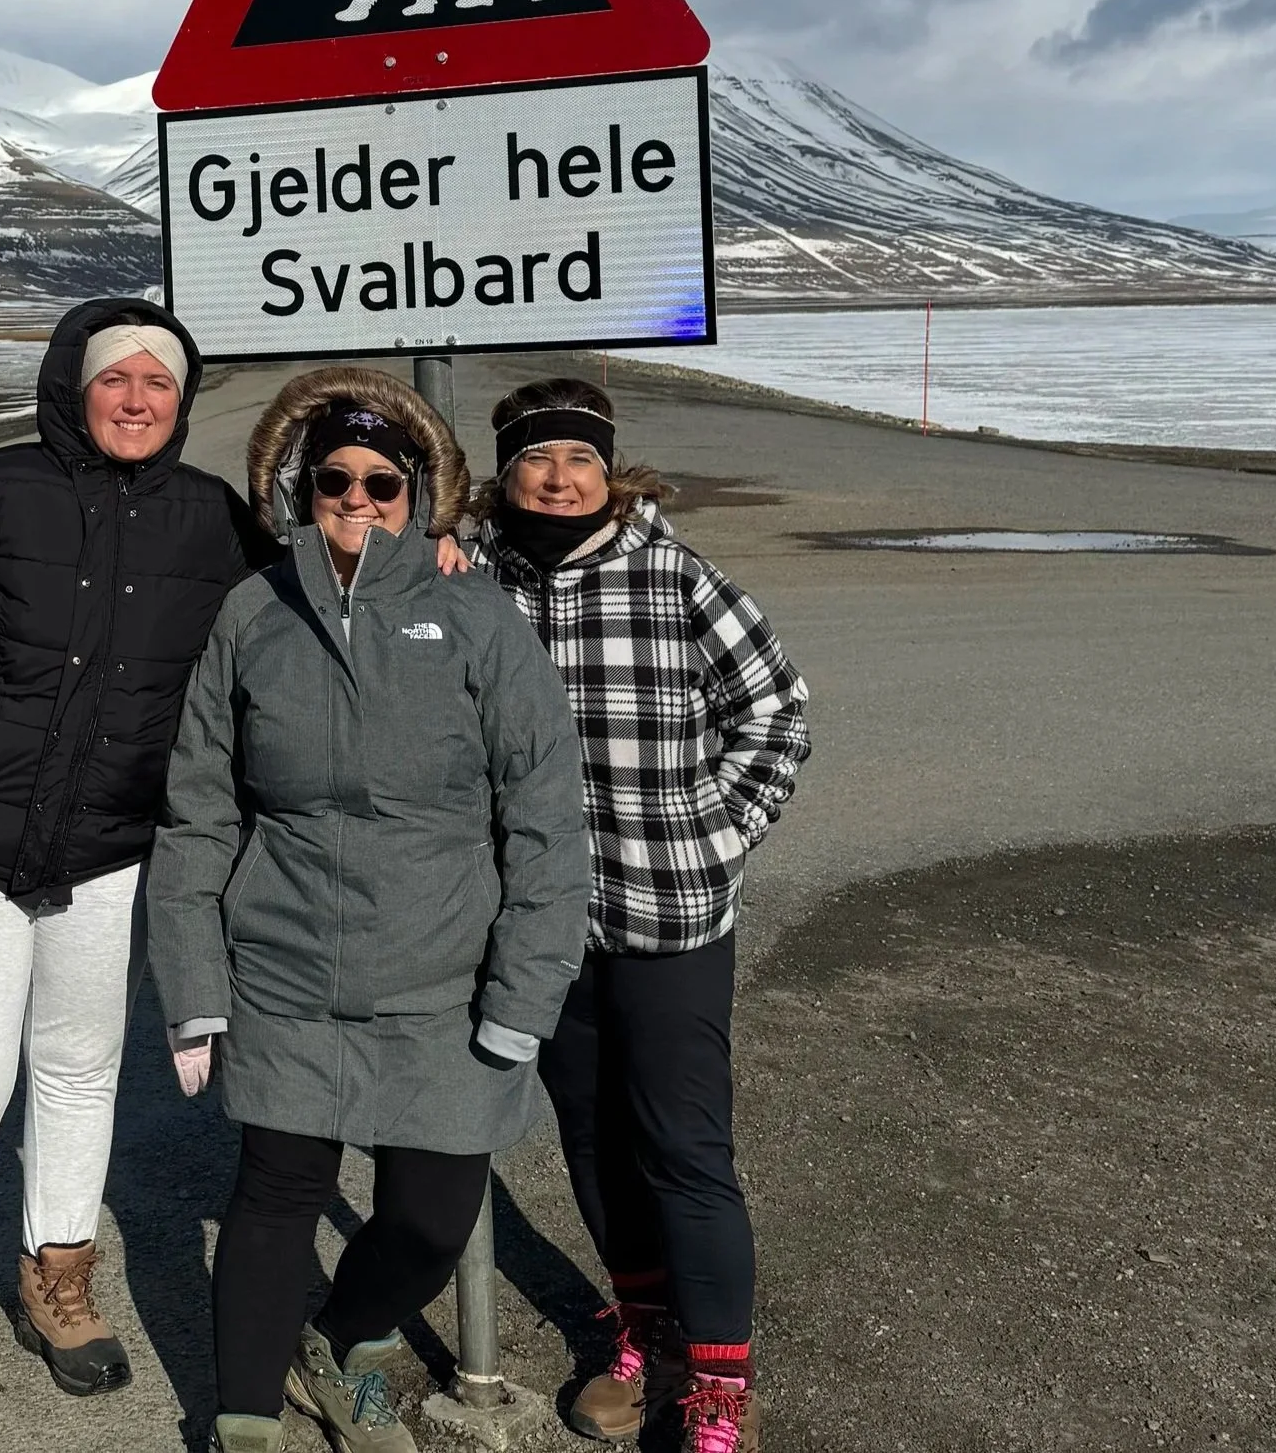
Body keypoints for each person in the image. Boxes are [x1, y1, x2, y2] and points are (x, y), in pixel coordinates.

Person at [0, 297, 275, 1453]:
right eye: (116, 379)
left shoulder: (208, 517)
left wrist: (418, 546)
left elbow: (296, 615)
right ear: (72, 387)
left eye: (160, 386)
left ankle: (57, 1275)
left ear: (183, 405)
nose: (137, 401)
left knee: (81, 1069)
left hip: (111, 853)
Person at [148, 366, 592, 1453]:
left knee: (434, 1217)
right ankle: (244, 1425)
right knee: (273, 1194)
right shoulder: (253, 617)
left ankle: (341, 1344)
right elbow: (197, 815)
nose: (355, 500)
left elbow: (544, 819)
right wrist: (194, 988)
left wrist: (523, 992)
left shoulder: (476, 617)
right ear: (301, 489)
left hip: (443, 979)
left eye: (381, 483)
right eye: (333, 479)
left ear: (418, 495)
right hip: (288, 972)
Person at [466, 378, 811, 1453]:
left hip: (670, 913)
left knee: (682, 1147)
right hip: (540, 922)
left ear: (609, 470)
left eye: (580, 457)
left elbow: (774, 708)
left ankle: (715, 1386)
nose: (560, 477)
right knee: (591, 1140)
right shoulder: (476, 580)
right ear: (505, 471)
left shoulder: (673, 576)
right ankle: (646, 1330)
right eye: (537, 458)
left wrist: (721, 832)